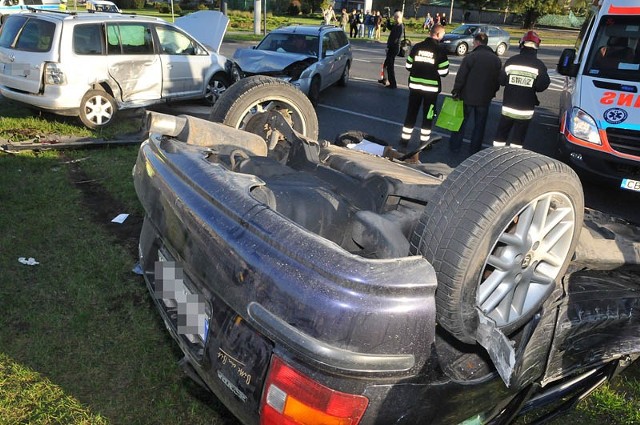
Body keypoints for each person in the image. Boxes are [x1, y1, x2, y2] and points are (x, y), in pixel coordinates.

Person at [492, 31, 550, 149]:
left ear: (521, 44)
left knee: (501, 134)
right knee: (518, 138)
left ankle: (496, 154)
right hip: (525, 110)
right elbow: (541, 86)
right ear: (537, 46)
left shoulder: (511, 61)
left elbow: (501, 80)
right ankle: (513, 160)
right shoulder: (539, 65)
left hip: (508, 106)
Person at [448, 32, 502, 154]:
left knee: (460, 123)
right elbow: (497, 80)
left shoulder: (471, 57)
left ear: (477, 42)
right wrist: (492, 93)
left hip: (467, 96)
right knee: (479, 126)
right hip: (484, 98)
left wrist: (456, 90)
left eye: (473, 42)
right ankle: (475, 149)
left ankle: (454, 146)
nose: (472, 44)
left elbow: (461, 76)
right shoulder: (496, 60)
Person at [399, 24, 449, 150]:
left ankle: (404, 140)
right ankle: (424, 143)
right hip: (431, 90)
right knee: (428, 116)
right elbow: (444, 72)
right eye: (442, 35)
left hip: (415, 87)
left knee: (411, 113)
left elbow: (408, 66)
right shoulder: (440, 50)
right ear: (437, 35)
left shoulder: (417, 47)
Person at [378, 10, 404, 89]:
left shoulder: (400, 26)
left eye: (395, 17)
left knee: (390, 66)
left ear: (398, 17)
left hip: (394, 48)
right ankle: (385, 79)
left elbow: (395, 39)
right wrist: (388, 20)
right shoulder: (397, 25)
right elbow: (390, 27)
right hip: (393, 47)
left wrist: (388, 47)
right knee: (386, 64)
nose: (394, 19)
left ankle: (393, 83)